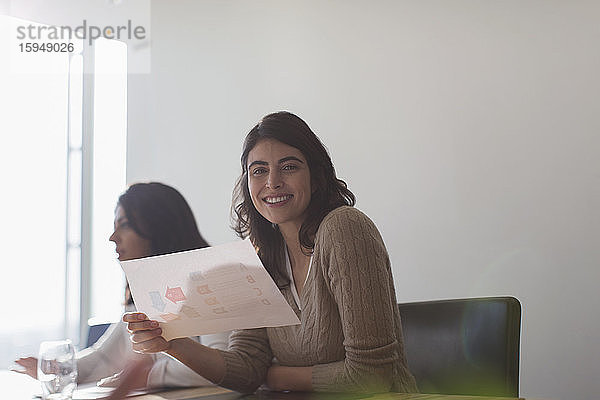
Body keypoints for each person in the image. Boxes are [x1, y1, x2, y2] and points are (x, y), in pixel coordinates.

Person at [123, 112, 418, 394]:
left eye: (289, 167)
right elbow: (247, 368)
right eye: (259, 170)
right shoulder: (259, 256)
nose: (272, 182)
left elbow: (371, 376)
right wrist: (171, 343)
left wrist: (275, 376)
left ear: (316, 178)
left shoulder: (344, 229)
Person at [15, 182, 229, 390]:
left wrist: (147, 374)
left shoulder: (207, 282)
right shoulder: (145, 292)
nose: (112, 237)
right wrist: (59, 368)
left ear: (158, 226)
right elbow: (104, 358)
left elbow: (226, 364)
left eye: (124, 225)